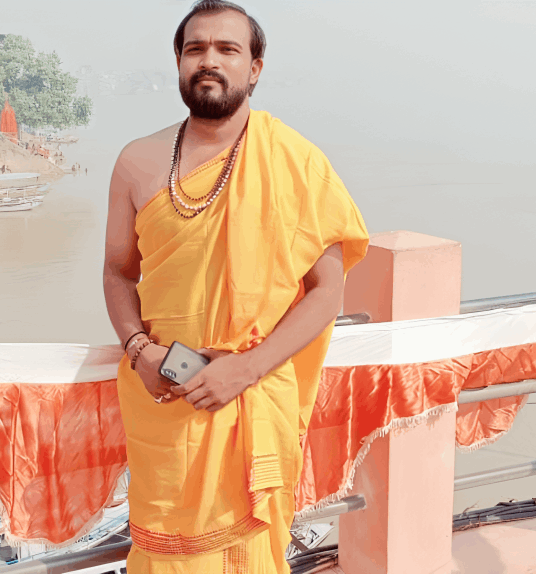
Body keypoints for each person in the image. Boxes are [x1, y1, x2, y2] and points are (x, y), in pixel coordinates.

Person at [102, 2, 369, 572]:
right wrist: (139, 351)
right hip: (165, 401)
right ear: (178, 62)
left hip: (251, 395)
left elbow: (327, 291)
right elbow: (119, 273)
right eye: (196, 49)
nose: (209, 61)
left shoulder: (295, 162)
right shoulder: (136, 162)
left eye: (227, 50)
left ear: (255, 68)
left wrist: (244, 368)